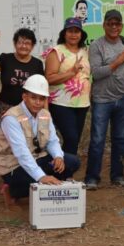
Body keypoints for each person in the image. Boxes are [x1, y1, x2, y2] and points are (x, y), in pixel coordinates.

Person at [0, 75, 81, 203]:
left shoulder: (45, 114)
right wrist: (41, 177)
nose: (38, 102)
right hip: (14, 165)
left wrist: (58, 156)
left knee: (72, 162)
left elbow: (52, 140)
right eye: (33, 98)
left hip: (37, 158)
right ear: (24, 97)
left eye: (42, 98)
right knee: (34, 178)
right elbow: (21, 153)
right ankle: (13, 190)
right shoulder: (11, 118)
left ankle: (42, 185)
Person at [85, 10, 124, 189]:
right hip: (102, 100)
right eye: (110, 23)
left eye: (117, 24)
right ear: (104, 25)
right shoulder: (96, 45)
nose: (114, 27)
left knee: (120, 139)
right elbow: (96, 73)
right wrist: (117, 61)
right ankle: (92, 178)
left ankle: (118, 176)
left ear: (122, 25)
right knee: (98, 139)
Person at [45, 18, 91, 157]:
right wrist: (71, 72)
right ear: (64, 33)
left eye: (77, 31)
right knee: (71, 138)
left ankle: (65, 166)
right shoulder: (56, 51)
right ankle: (65, 167)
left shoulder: (85, 51)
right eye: (70, 31)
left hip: (82, 104)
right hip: (61, 103)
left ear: (81, 34)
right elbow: (49, 78)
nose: (73, 34)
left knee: (74, 140)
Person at [0, 27, 44, 118]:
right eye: (20, 42)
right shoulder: (5, 58)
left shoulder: (37, 64)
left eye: (27, 43)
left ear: (32, 46)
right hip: (6, 107)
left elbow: (41, 89)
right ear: (14, 43)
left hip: (29, 109)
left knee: (27, 128)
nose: (23, 46)